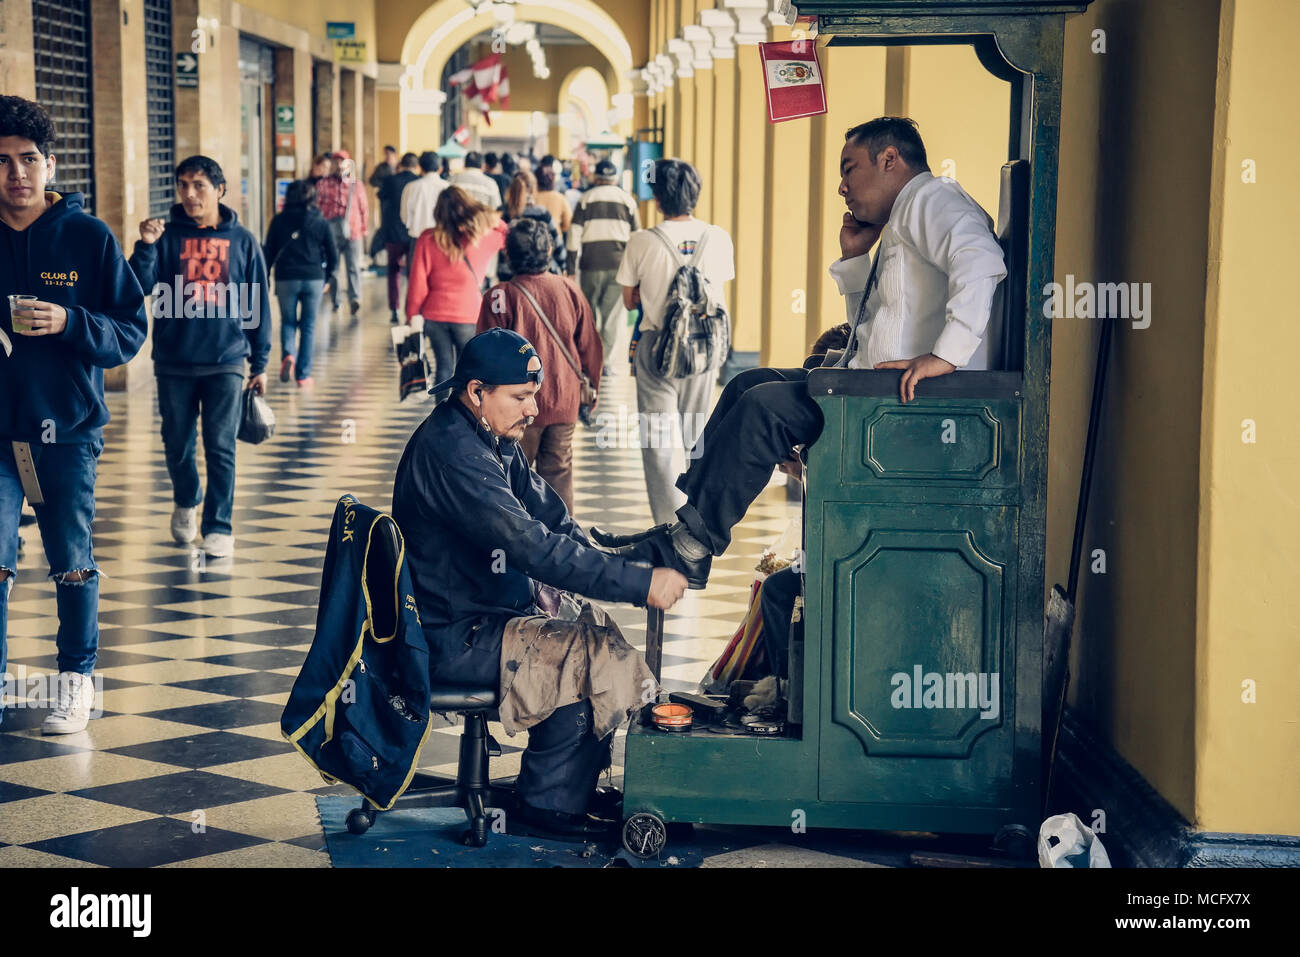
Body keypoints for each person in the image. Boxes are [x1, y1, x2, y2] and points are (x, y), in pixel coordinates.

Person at [601, 118, 1008, 590]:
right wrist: (856, 259)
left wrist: (946, 355)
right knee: (746, 384)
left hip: (908, 404)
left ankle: (691, 547)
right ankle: (685, 531)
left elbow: (981, 261)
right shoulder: (905, 216)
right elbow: (870, 326)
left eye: (849, 169)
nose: (841, 187)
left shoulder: (931, 199)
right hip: (873, 389)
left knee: (763, 410)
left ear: (890, 160)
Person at [391, 328, 688, 839]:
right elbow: (533, 548)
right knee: (587, 653)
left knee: (591, 630)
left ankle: (566, 786)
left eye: (534, 397)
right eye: (521, 398)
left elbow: (554, 520)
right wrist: (638, 585)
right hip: (450, 636)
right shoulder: (455, 454)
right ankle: (550, 805)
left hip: (485, 616)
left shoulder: (490, 438)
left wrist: (629, 561)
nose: (533, 412)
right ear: (476, 391)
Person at [0, 95, 148, 733]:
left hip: (67, 425)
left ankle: (76, 681)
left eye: (29, 159)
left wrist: (69, 320)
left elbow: (130, 330)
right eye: (2, 161)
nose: (17, 174)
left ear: (50, 163)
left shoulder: (88, 237)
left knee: (71, 557)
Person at [130, 154, 271, 560]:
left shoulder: (242, 241)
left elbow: (257, 302)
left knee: (220, 444)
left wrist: (260, 363)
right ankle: (187, 497)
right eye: (183, 186)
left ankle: (219, 524)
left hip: (226, 359)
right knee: (176, 441)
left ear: (219, 190)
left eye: (199, 186)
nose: (190, 194)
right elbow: (137, 285)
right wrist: (146, 246)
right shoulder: (166, 235)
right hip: (174, 360)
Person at [614, 158, 734, 528]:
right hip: (703, 348)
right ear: (694, 193)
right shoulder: (718, 237)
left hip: (656, 347)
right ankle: (697, 521)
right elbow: (717, 290)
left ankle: (669, 526)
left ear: (658, 197)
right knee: (697, 432)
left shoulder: (641, 241)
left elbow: (630, 301)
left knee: (659, 440)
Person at [477, 219, 602, 513]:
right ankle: (563, 544)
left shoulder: (498, 297)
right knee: (559, 474)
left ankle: (516, 545)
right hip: (564, 399)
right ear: (549, 250)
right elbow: (591, 348)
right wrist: (591, 390)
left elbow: (483, 355)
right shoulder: (570, 290)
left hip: (515, 406)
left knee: (511, 478)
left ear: (508, 255)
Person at [406, 186, 508, 402]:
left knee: (444, 366)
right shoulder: (483, 237)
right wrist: (484, 215)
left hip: (434, 315)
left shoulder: (427, 238)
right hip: (468, 315)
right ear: (467, 208)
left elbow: (417, 283)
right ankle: (465, 420)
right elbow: (505, 231)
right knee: (470, 371)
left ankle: (441, 417)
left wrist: (412, 316)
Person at [262, 179, 338, 388]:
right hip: (313, 277)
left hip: (286, 277)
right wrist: (328, 276)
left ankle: (289, 355)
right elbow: (333, 253)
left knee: (287, 321)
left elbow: (268, 251)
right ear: (313, 197)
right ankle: (303, 375)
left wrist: (266, 276)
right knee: (308, 326)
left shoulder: (278, 221)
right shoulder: (320, 221)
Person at [568, 158, 639, 372]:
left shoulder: (585, 199)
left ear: (596, 178)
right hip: (619, 268)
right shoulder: (628, 201)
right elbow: (636, 238)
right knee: (611, 319)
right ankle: (605, 364)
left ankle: (588, 361)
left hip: (590, 266)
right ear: (614, 178)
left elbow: (573, 235)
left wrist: (571, 270)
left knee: (589, 316)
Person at [315, 151, 368, 315]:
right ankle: (336, 300)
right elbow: (318, 206)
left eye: (342, 161)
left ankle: (355, 298)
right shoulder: (323, 184)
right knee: (334, 268)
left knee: (353, 267)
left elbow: (363, 208)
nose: (339, 165)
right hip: (331, 233)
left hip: (353, 231)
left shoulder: (356, 184)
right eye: (336, 161)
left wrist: (364, 228)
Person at [377, 152, 420, 324]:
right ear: (416, 166)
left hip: (393, 233)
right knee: (413, 274)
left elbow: (380, 196)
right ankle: (412, 309)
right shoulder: (418, 182)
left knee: (393, 272)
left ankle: (394, 309)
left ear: (400, 164)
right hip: (413, 234)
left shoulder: (390, 180)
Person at [498, 170, 565, 280]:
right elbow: (557, 242)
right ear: (534, 189)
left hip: (508, 274)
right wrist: (563, 265)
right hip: (539, 274)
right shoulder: (542, 213)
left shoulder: (503, 214)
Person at [400, 150, 447, 247]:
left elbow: (405, 217)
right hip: (442, 239)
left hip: (418, 239)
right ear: (439, 168)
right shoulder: (448, 187)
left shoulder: (410, 187)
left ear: (420, 167)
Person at [533, 164, 572, 244]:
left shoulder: (532, 198)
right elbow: (568, 223)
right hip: (555, 240)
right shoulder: (560, 198)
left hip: (534, 241)